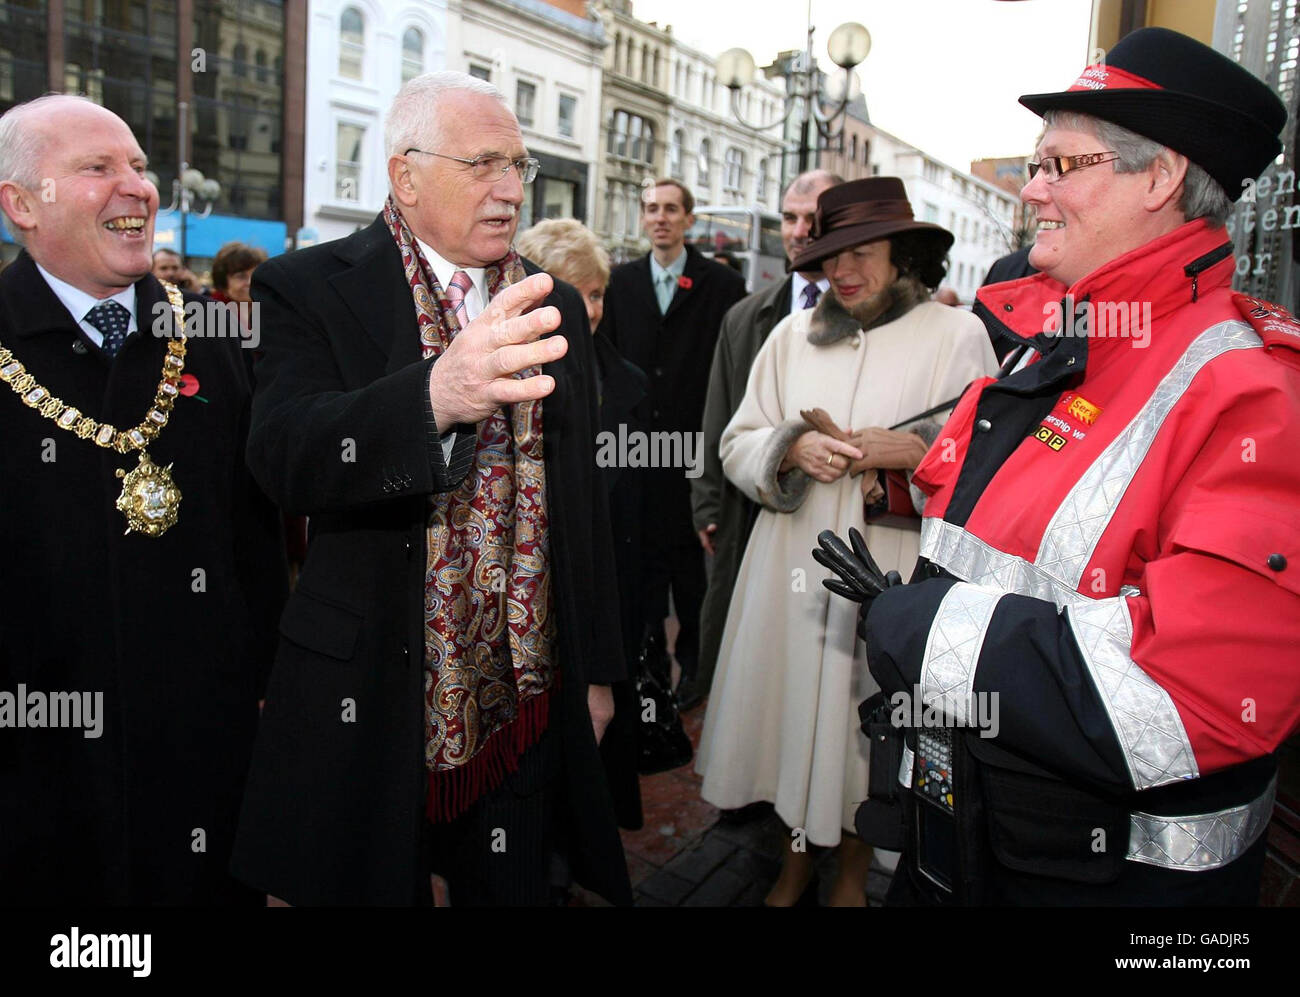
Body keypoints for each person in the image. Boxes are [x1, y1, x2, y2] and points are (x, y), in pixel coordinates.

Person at [824, 27, 1300, 906]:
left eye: (1059, 164)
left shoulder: (1251, 393)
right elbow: (1030, 512)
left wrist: (924, 628)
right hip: (970, 836)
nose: (1032, 190)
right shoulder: (1077, 332)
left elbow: (1188, 696)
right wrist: (901, 494)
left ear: (1159, 179)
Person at [230, 71, 631, 907]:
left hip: (527, 684)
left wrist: (597, 672)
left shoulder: (547, 300)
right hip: (370, 687)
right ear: (405, 176)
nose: (511, 188)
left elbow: (582, 503)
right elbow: (284, 456)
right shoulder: (305, 286)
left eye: (518, 165)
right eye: (483, 163)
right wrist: (435, 397)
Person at [0, 94, 287, 904]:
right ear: (22, 203)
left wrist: (268, 684)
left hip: (205, 747)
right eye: (97, 168)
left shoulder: (215, 334)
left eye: (139, 166)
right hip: (42, 762)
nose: (137, 187)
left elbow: (255, 534)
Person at [696, 177, 998, 906]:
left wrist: (912, 452)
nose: (845, 272)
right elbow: (738, 439)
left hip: (890, 572)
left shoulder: (956, 336)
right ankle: (795, 857)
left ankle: (856, 869)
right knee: (791, 713)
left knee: (863, 728)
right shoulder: (790, 334)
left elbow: (992, 459)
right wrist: (790, 450)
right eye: (832, 259)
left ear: (903, 254)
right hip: (789, 562)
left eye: (862, 252)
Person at [690, 169, 840, 711]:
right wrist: (708, 506)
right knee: (748, 658)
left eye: (813, 219)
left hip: (833, 520)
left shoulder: (877, 319)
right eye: (789, 218)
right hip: (749, 513)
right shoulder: (745, 316)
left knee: (817, 662)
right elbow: (718, 419)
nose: (799, 231)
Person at [515, 217, 646, 831]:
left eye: (596, 294)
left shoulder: (629, 384)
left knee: (588, 776)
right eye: (572, 291)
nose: (587, 309)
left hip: (605, 601)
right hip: (527, 607)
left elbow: (640, 508)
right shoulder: (505, 384)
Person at [599, 179, 746, 704]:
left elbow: (731, 375)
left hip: (692, 454)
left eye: (670, 209)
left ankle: (698, 674)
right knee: (641, 577)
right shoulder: (619, 283)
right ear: (643, 218)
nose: (659, 218)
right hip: (633, 455)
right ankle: (651, 678)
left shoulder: (723, 287)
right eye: (651, 209)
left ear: (689, 219)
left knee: (691, 578)